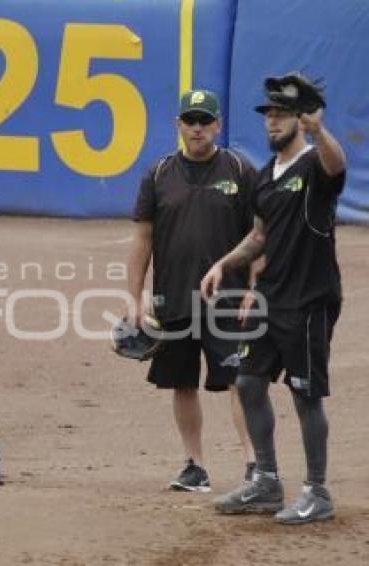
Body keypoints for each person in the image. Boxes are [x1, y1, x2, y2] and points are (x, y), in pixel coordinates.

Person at [202, 74, 347, 524]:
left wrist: (318, 130)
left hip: (309, 300)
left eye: (281, 115)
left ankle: (316, 491)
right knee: (247, 382)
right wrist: (224, 263)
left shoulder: (313, 166)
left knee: (305, 395)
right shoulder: (266, 176)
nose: (272, 123)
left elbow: (338, 166)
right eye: (268, 116)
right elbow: (260, 235)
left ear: (298, 121)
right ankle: (265, 481)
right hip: (270, 299)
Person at [127, 90, 258, 492]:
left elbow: (259, 235)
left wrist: (254, 289)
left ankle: (257, 465)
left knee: (240, 379)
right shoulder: (158, 173)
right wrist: (134, 298)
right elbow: (142, 239)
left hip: (229, 300)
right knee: (182, 383)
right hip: (175, 298)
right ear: (179, 125)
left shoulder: (239, 169)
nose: (197, 128)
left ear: (217, 125)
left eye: (204, 120)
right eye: (190, 120)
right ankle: (194, 465)